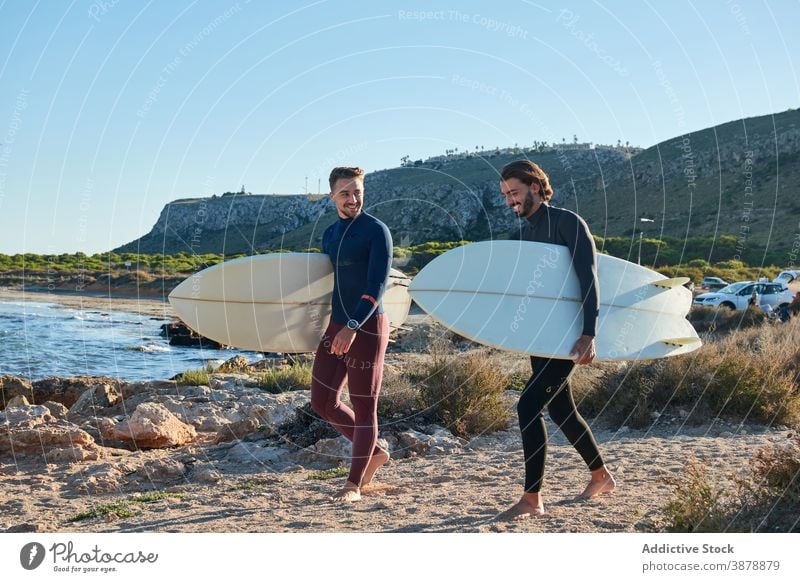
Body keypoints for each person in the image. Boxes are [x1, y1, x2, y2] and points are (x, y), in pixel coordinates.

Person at [499, 159, 615, 520]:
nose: (510, 201)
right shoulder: (523, 236)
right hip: (541, 337)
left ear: (535, 186)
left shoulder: (567, 223)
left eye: (514, 192)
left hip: (568, 336)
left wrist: (588, 333)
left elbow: (588, 279)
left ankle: (532, 499)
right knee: (561, 408)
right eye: (505, 195)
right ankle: (601, 476)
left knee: (527, 406)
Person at [310, 166, 393, 503]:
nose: (353, 199)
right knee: (322, 401)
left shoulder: (376, 230)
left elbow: (377, 284)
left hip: (367, 326)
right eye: (345, 193)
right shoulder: (330, 235)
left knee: (364, 407)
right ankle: (372, 452)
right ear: (332, 196)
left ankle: (353, 486)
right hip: (337, 324)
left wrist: (353, 326)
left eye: (357, 191)